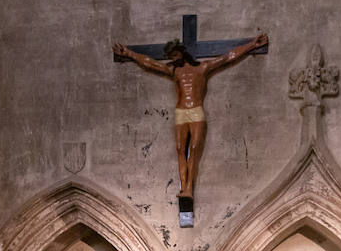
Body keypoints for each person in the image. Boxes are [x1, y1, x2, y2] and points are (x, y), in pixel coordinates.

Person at [113, 32, 269, 200]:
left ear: (181, 52)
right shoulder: (173, 70)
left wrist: (252, 45)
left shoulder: (203, 68)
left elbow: (228, 57)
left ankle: (188, 188)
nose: (172, 58)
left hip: (196, 111)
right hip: (180, 112)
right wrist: (129, 53)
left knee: (193, 149)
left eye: (174, 54)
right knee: (180, 150)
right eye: (170, 56)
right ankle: (184, 188)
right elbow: (150, 63)